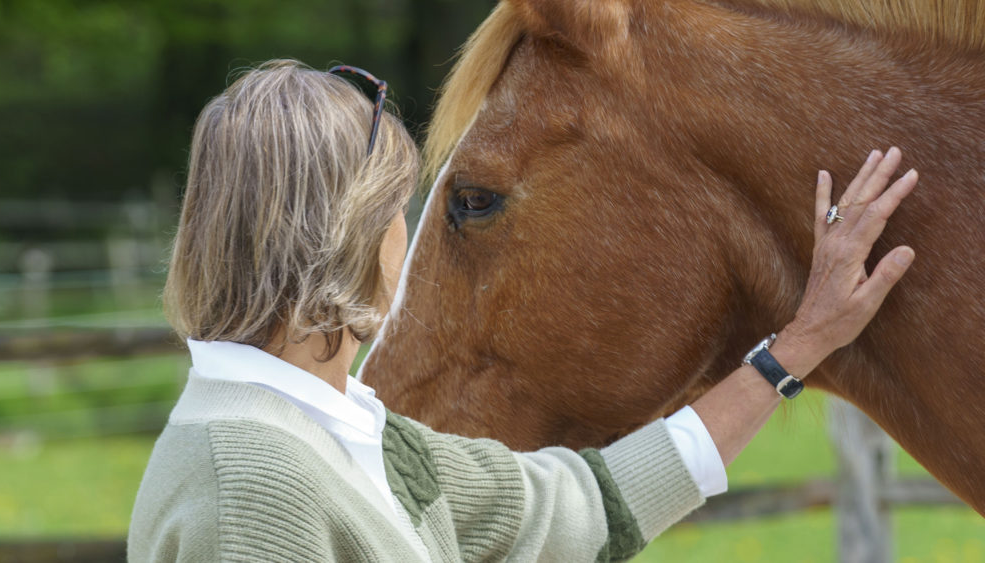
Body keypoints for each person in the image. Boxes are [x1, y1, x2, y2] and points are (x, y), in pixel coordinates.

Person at [127, 59, 918, 562]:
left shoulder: (347, 431)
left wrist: (800, 344)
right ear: (353, 235)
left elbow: (586, 506)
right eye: (404, 209)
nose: (411, 237)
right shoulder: (252, 485)